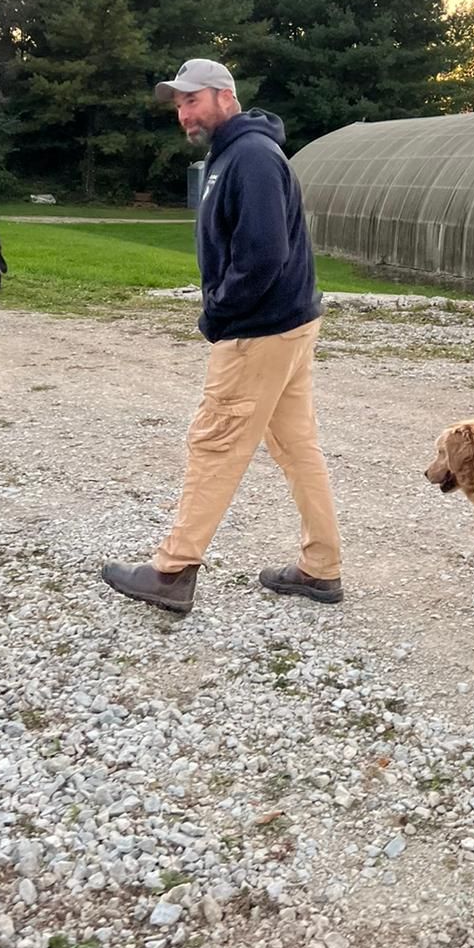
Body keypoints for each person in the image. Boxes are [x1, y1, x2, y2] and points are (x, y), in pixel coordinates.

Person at [103, 58, 343, 615]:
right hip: (287, 326)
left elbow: (262, 256)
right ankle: (321, 568)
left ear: (224, 97)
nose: (184, 112)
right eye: (179, 104)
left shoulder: (252, 157)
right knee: (296, 447)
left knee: (213, 445)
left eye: (192, 100)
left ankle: (172, 571)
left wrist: (220, 315)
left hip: (258, 332)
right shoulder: (233, 154)